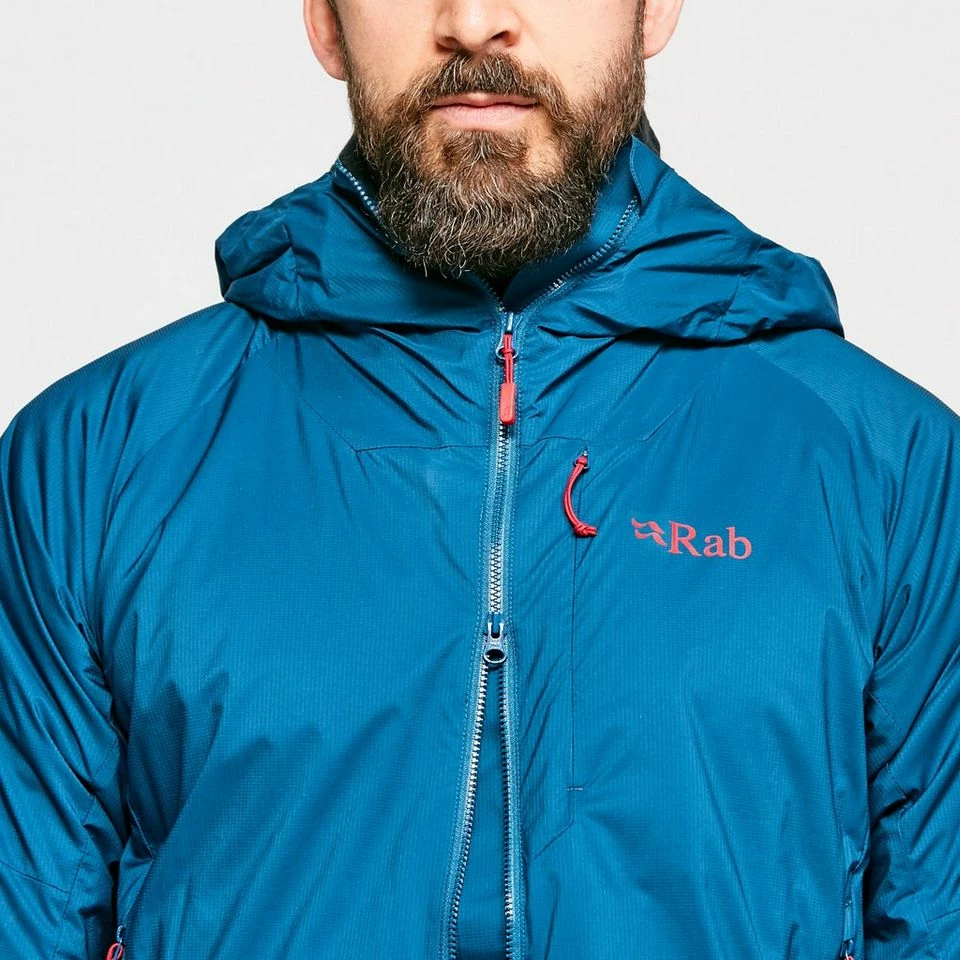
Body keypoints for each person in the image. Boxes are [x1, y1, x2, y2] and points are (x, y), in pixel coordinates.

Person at [1, 0, 957, 957]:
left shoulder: (893, 470)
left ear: (653, 10)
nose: (473, 20)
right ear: (325, 21)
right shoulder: (92, 461)